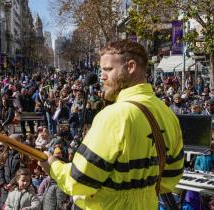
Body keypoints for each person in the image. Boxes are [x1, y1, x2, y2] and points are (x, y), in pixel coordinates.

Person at [39, 40, 184, 210]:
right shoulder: (168, 114)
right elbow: (171, 178)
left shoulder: (114, 116)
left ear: (130, 66)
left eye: (108, 69)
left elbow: (80, 181)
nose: (101, 76)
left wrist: (54, 166)